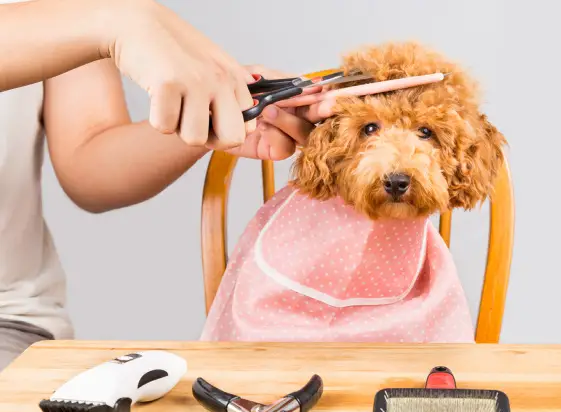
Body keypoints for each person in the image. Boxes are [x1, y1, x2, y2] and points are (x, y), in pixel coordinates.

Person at [0, 0, 325, 370]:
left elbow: (90, 163)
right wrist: (118, 20)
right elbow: (117, 23)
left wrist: (211, 115)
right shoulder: (108, 15)